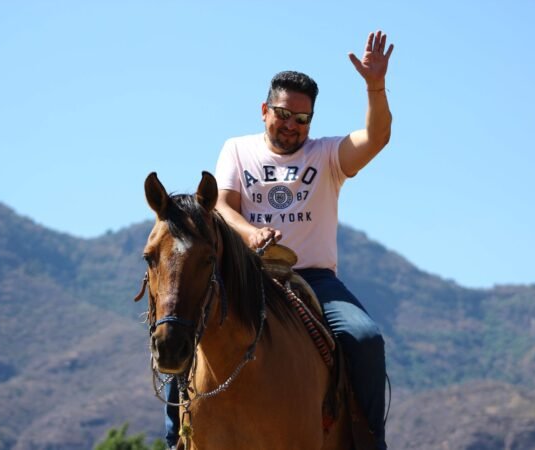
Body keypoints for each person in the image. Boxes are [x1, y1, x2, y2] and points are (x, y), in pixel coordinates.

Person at [166, 30, 393, 450]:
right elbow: (222, 206)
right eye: (282, 114)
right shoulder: (237, 149)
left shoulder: (326, 155)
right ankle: (175, 436)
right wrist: (251, 234)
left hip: (314, 279)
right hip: (248, 275)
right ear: (264, 110)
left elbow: (376, 137)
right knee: (187, 326)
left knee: (365, 338)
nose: (291, 125)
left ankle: (368, 439)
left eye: (302, 119)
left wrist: (374, 87)